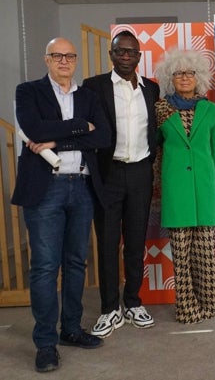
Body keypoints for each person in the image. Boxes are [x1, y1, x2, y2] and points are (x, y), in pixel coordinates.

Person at [12, 37, 110, 372]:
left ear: (76, 59)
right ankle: (45, 343)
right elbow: (35, 128)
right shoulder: (28, 92)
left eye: (69, 55)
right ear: (47, 59)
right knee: (44, 267)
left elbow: (103, 137)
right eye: (57, 55)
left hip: (81, 187)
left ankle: (70, 329)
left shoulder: (88, 96)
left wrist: (57, 139)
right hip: (45, 189)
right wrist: (82, 126)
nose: (64, 60)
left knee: (75, 264)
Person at [83, 30, 159, 337]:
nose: (125, 56)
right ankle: (109, 308)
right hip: (108, 175)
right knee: (108, 242)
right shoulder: (94, 87)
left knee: (136, 240)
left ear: (139, 57)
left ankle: (133, 302)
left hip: (141, 172)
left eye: (131, 52)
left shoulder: (151, 89)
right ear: (111, 55)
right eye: (120, 51)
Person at [153, 49, 215, 323]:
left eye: (190, 72)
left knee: (205, 252)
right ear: (170, 78)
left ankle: (208, 304)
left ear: (199, 77)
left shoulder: (211, 110)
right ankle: (187, 308)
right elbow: (155, 150)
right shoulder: (160, 109)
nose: (184, 78)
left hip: (204, 188)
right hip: (175, 188)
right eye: (178, 73)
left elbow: (214, 151)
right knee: (181, 254)